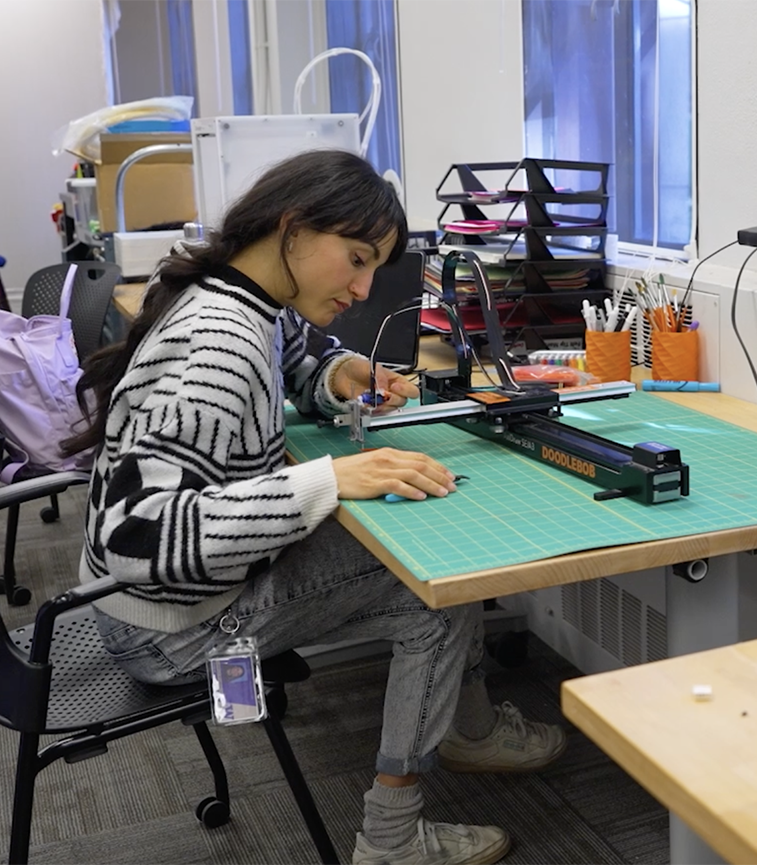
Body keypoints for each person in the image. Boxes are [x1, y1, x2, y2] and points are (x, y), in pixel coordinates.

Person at [63, 148, 564, 865]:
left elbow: (295, 355)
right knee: (436, 589)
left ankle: (467, 729)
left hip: (159, 602)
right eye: (356, 260)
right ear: (293, 228)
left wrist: (339, 372)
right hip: (167, 627)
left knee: (425, 564)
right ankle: (394, 838)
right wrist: (323, 482)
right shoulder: (219, 344)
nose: (362, 289)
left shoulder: (244, 294)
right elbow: (136, 538)